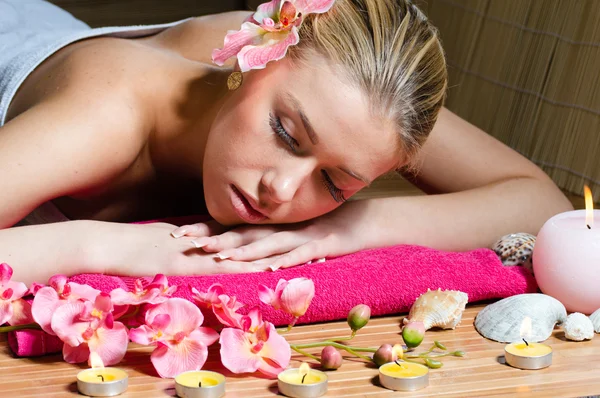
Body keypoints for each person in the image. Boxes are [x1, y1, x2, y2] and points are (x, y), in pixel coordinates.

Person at [0, 0, 572, 285]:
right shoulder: (103, 116)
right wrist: (104, 247)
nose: (280, 189)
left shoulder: (352, 98)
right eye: (286, 134)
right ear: (254, 62)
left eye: (335, 183)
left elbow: (540, 204)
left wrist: (344, 227)